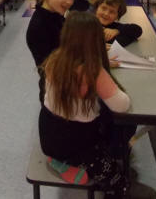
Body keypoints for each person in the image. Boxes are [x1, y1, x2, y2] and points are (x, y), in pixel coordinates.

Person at [39, 11, 130, 198]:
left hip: (48, 133)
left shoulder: (54, 59)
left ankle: (61, 161)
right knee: (117, 176)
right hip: (77, 142)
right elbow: (122, 105)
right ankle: (75, 164)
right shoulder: (92, 70)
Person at [26, 0, 77, 103]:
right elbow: (54, 68)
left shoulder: (55, 15)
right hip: (56, 94)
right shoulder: (39, 26)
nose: (69, 1)